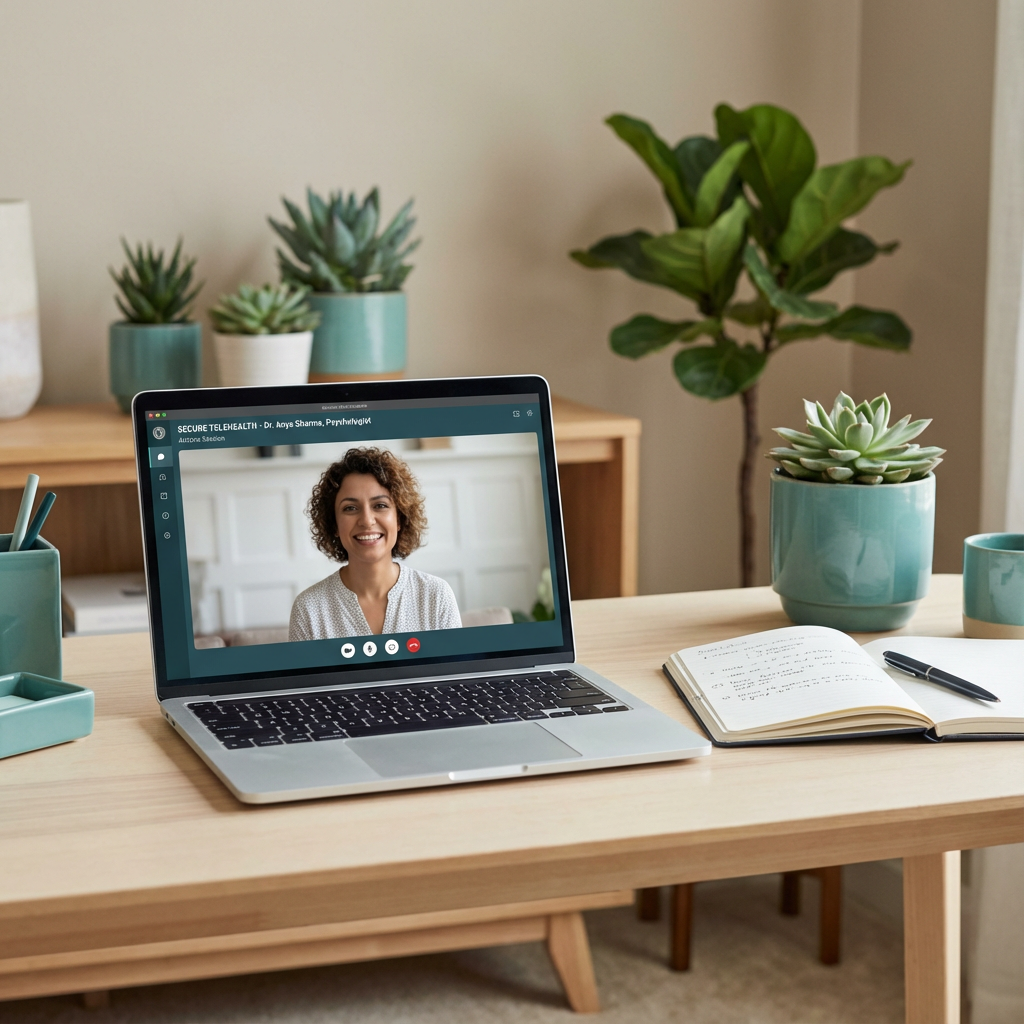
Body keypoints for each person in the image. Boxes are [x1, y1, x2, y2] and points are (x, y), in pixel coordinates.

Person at [289, 447, 462, 641]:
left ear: (399, 519)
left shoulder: (435, 596)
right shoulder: (308, 609)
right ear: (334, 524)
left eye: (380, 505)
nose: (366, 520)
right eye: (350, 508)